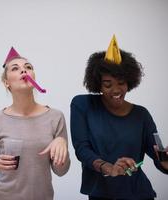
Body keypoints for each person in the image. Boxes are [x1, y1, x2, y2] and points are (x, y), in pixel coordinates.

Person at [70, 35, 168, 200]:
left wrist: (165, 161)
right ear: (98, 84)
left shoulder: (141, 115)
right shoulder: (83, 105)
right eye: (108, 84)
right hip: (100, 193)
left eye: (121, 83)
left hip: (138, 194)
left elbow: (158, 156)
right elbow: (82, 149)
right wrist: (108, 168)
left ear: (129, 82)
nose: (116, 90)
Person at [0, 47, 70, 200]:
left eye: (28, 67)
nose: (24, 71)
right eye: (15, 68)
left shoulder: (55, 117)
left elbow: (61, 171)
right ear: (6, 83)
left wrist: (61, 142)